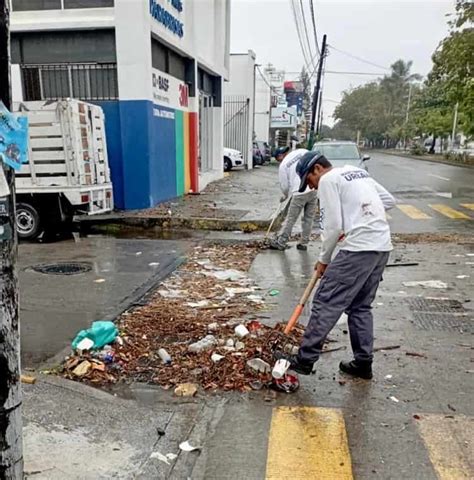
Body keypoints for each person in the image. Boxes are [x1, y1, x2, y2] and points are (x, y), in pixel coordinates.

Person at [280, 150, 396, 379]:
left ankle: (304, 360)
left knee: (325, 301)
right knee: (360, 306)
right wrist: (361, 216)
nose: (312, 188)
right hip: (381, 248)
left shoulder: (328, 180)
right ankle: (363, 364)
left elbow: (331, 226)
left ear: (317, 169)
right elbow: (389, 201)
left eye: (309, 181)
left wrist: (324, 259)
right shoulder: (357, 172)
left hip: (358, 249)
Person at [269, 146, 318, 251]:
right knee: (308, 218)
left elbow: (285, 186)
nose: (278, 161)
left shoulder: (283, 165)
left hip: (299, 191)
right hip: (313, 187)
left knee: (291, 219)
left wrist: (285, 195)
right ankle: (304, 243)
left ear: (280, 156)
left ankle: (281, 241)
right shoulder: (302, 151)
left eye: (277, 159)